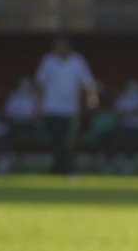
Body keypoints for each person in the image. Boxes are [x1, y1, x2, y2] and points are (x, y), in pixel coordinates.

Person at [33, 36, 99, 176]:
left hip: (70, 109)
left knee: (66, 139)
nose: (58, 48)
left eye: (61, 45)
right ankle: (64, 168)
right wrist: (38, 106)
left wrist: (92, 96)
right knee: (59, 138)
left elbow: (88, 81)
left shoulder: (78, 61)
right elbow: (41, 84)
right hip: (51, 107)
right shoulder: (48, 61)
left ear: (68, 47)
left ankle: (59, 168)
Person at [98, 78, 138, 172]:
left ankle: (129, 161)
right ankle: (110, 160)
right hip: (123, 127)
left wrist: (126, 112)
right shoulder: (122, 97)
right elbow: (117, 113)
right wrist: (128, 112)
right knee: (105, 136)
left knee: (130, 137)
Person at [0, 76, 40, 173]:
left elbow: (34, 115)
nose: (25, 86)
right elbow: (8, 111)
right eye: (22, 83)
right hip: (14, 125)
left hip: (28, 126)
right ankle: (3, 162)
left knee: (5, 129)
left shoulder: (36, 96)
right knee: (5, 133)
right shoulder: (15, 95)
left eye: (27, 83)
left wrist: (24, 116)